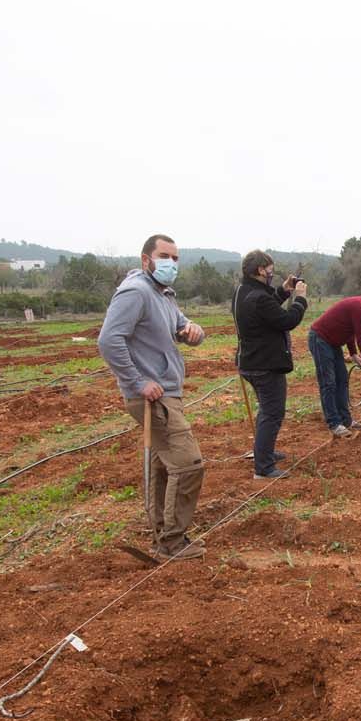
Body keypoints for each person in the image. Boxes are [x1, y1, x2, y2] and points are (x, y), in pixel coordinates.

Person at [96, 233, 207, 559]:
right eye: (164, 256)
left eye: (175, 258)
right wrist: (137, 381)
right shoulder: (135, 292)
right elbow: (108, 340)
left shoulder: (163, 294)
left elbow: (183, 327)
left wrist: (193, 332)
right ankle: (171, 542)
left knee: (164, 469)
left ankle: (164, 538)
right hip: (152, 397)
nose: (171, 263)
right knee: (188, 465)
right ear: (146, 260)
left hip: (168, 393)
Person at [232, 249, 309, 480]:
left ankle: (264, 452)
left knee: (266, 411)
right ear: (260, 270)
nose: (271, 272)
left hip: (249, 361)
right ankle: (263, 468)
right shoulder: (258, 297)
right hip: (265, 364)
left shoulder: (243, 291)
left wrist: (284, 291)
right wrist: (301, 299)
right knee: (272, 413)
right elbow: (286, 320)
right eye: (269, 268)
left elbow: (267, 309)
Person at [308, 294, 361, 436]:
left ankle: (346, 420)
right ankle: (334, 423)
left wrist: (353, 353)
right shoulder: (360, 308)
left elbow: (350, 330)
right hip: (320, 339)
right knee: (328, 383)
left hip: (333, 343)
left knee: (342, 379)